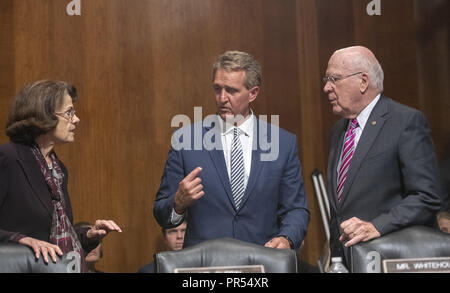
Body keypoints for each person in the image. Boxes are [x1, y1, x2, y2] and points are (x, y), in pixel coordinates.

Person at [153, 50, 310, 251]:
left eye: (232, 91)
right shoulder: (185, 141)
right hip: (205, 268)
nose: (222, 98)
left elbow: (296, 209)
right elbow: (161, 212)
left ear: (253, 93)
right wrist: (177, 203)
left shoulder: (283, 143)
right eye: (217, 89)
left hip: (262, 263)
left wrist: (287, 238)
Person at [323, 46, 441, 265]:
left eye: (334, 79)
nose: (326, 88)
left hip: (393, 259)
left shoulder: (405, 121)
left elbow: (426, 196)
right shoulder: (338, 131)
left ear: (363, 81)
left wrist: (377, 225)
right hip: (348, 261)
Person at [0, 80, 122, 273]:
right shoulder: (9, 158)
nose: (76, 119)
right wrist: (20, 239)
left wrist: (89, 235)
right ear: (44, 117)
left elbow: (58, 239)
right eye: (69, 113)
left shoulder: (58, 169)